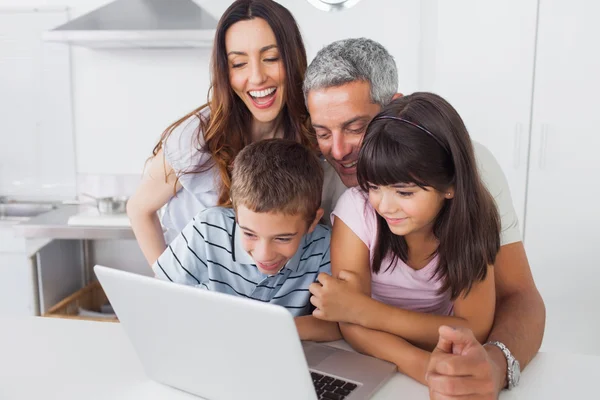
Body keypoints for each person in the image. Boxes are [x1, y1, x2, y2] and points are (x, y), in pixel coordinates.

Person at [303, 38, 545, 398]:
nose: (338, 151)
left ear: (394, 110)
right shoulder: (339, 195)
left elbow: (513, 299)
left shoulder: (464, 176)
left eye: (356, 128)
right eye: (323, 133)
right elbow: (346, 316)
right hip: (364, 361)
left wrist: (493, 366)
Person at [308, 92, 500, 383]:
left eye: (405, 192)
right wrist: (423, 366)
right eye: (374, 186)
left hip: (435, 353)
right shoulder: (357, 210)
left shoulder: (472, 222)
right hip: (382, 361)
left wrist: (365, 312)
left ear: (449, 185)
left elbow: (474, 329)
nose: (385, 206)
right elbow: (348, 323)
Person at [127, 0, 315, 265]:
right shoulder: (198, 138)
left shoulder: (313, 133)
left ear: (293, 58)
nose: (257, 77)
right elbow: (139, 208)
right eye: (239, 64)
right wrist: (168, 283)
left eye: (271, 59)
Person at [152, 139, 340, 342]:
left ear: (312, 221)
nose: (264, 255)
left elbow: (337, 325)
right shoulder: (207, 229)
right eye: (249, 234)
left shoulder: (324, 246)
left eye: (283, 238)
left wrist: (261, 329)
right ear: (236, 212)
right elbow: (160, 303)